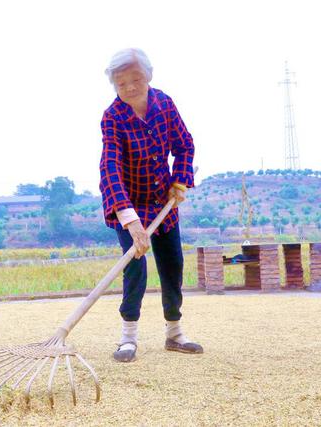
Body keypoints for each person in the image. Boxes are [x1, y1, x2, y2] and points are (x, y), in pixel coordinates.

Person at [99, 48, 203, 363]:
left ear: (148, 76)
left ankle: (175, 334)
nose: (130, 87)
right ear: (114, 86)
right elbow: (110, 168)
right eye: (121, 83)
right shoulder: (113, 117)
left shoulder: (164, 104)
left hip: (163, 204)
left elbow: (184, 144)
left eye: (136, 79)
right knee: (135, 268)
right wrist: (130, 221)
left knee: (172, 266)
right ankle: (128, 339)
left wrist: (180, 181)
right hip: (129, 206)